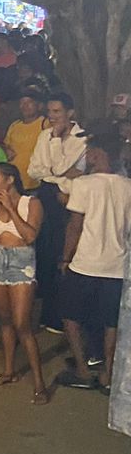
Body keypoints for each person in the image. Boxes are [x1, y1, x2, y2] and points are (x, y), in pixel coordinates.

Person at [56, 133, 130, 393]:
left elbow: (75, 226)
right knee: (112, 322)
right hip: (117, 264)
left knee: (70, 315)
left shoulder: (84, 184)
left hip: (85, 262)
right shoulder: (127, 186)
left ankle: (84, 370)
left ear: (98, 154)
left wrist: (65, 257)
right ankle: (108, 374)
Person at [0, 161, 48, 403]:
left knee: (22, 324)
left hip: (22, 263)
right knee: (6, 320)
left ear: (10, 180)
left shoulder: (32, 203)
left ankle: (39, 384)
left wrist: (10, 206)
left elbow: (29, 236)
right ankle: (9, 371)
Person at [27, 93, 88, 333]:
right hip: (47, 195)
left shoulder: (80, 139)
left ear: (69, 113)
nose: (52, 117)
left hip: (66, 202)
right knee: (42, 254)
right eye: (50, 112)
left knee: (60, 256)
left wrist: (54, 156)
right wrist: (59, 172)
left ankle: (56, 317)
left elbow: (59, 167)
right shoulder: (45, 134)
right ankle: (40, 313)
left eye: (57, 112)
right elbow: (33, 169)